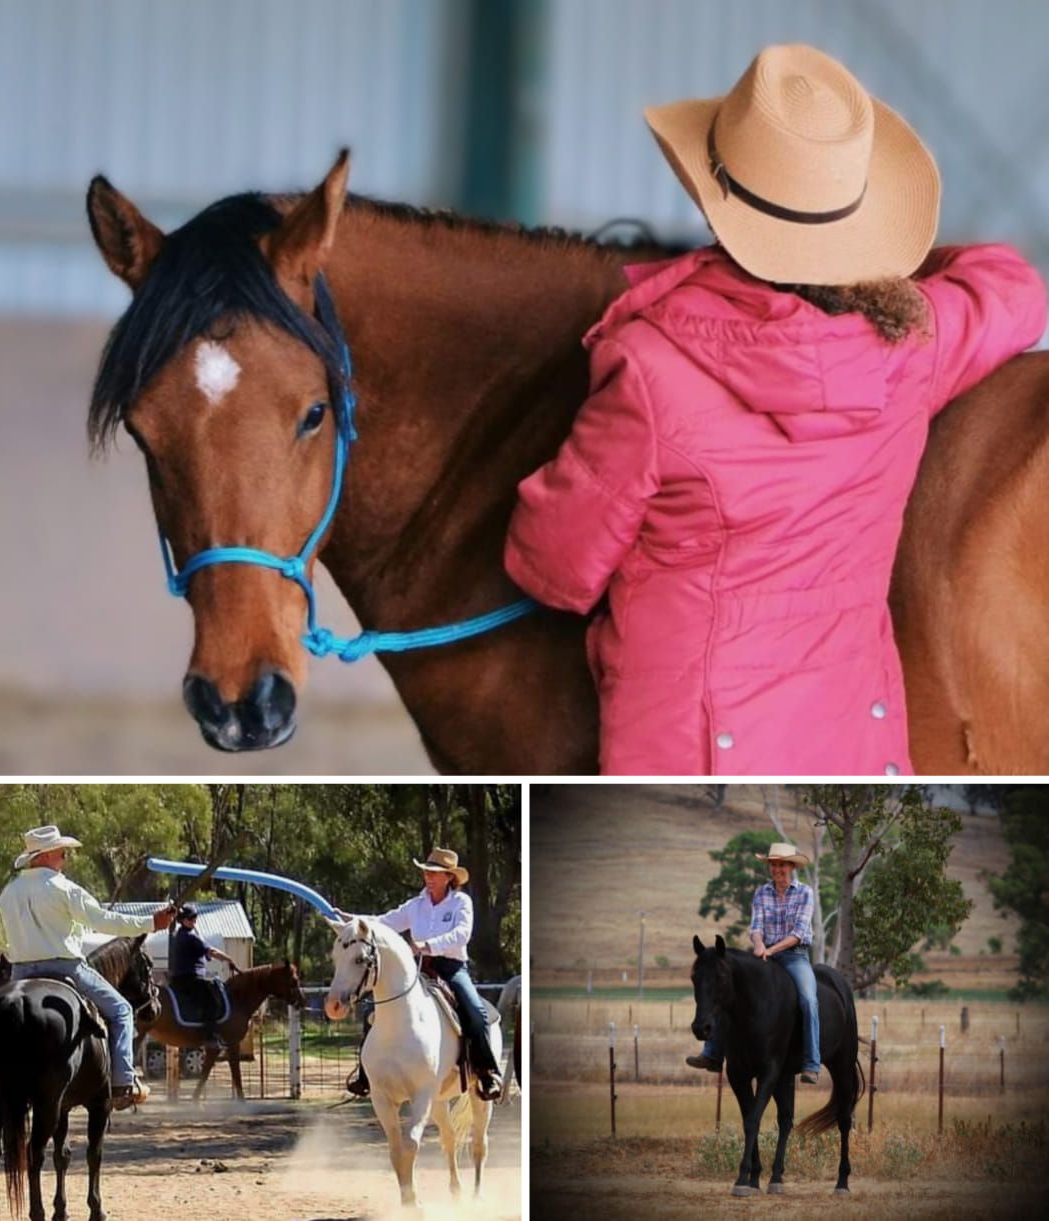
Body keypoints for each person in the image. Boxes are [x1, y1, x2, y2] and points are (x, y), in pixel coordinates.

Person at [504, 43, 1048, 776]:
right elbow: (1012, 286)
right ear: (856, 218)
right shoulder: (912, 348)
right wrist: (883, 273)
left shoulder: (650, 369)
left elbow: (555, 571)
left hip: (685, 752)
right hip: (853, 744)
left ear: (716, 199)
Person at [0, 825, 175, 1110]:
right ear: (48, 854)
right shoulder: (64, 889)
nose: (65, 859)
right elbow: (104, 921)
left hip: (20, 973)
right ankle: (122, 1083)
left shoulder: (8, 893)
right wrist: (151, 923)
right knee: (122, 1010)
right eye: (63, 853)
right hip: (66, 969)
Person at [341, 847, 503, 1102]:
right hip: (417, 969)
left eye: (435, 873)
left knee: (474, 1012)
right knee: (374, 1010)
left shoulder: (462, 903)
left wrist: (427, 945)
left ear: (449, 877)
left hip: (451, 968)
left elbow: (462, 934)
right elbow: (385, 921)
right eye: (427, 871)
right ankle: (365, 1076)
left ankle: (486, 1073)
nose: (428, 876)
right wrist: (353, 918)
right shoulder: (416, 905)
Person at [687, 841, 820, 1083]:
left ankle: (811, 1063)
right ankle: (712, 1054)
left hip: (793, 956)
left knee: (809, 999)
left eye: (781, 865)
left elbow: (799, 932)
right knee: (727, 991)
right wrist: (759, 946)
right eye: (773, 865)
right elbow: (756, 927)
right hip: (763, 955)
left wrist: (772, 949)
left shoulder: (805, 893)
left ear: (791, 866)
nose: (777, 869)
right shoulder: (761, 893)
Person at [168, 902, 240, 1050]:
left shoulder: (178, 936)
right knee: (212, 1000)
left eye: (195, 917)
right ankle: (210, 1036)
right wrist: (229, 959)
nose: (194, 920)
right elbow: (211, 951)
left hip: (178, 978)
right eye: (190, 918)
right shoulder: (191, 937)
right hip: (191, 977)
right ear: (183, 920)